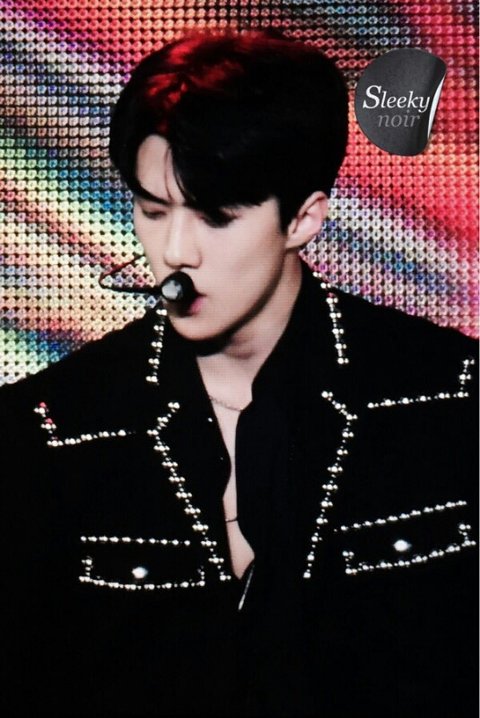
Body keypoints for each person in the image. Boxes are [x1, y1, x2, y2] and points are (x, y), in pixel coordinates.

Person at [0, 30, 477, 718]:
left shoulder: (453, 397)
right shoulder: (46, 430)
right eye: (152, 210)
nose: (174, 251)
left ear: (304, 218)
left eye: (217, 217)